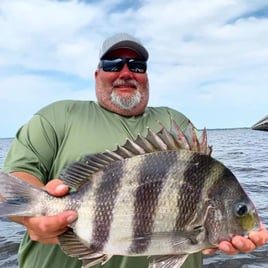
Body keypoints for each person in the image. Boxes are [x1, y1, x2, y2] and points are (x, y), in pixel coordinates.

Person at [3, 33, 267, 268]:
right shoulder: (57, 116)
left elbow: (204, 186)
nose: (126, 72)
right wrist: (32, 218)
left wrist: (214, 239)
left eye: (137, 66)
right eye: (113, 64)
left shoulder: (177, 123)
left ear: (146, 76)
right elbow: (14, 179)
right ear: (97, 74)